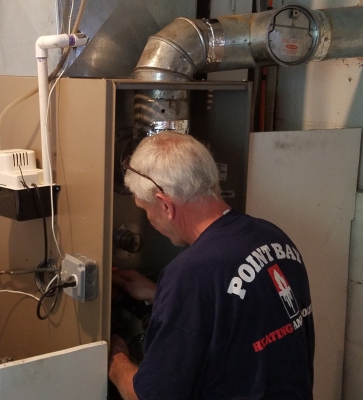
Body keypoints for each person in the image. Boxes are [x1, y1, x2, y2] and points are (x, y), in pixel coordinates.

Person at [108, 131, 314, 400]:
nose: (150, 220)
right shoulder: (274, 238)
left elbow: (149, 396)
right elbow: (241, 319)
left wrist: (117, 362)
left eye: (146, 210)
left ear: (165, 204)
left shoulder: (190, 275)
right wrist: (157, 294)